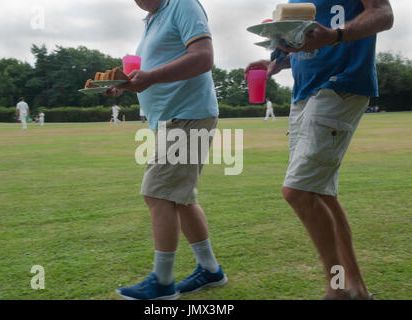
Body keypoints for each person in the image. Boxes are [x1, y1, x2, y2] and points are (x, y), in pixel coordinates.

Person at [246, 0, 393, 299]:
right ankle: (358, 291)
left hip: (340, 83)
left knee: (298, 191)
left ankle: (336, 290)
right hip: (303, 93)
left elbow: (383, 13)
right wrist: (276, 62)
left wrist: (334, 35)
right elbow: (302, 44)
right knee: (321, 193)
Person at [105, 0, 225, 300]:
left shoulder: (183, 5)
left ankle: (162, 282)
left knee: (157, 192)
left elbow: (203, 57)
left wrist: (151, 77)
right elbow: (150, 73)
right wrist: (126, 83)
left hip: (188, 114)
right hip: (169, 118)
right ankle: (210, 270)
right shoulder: (151, 19)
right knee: (180, 198)